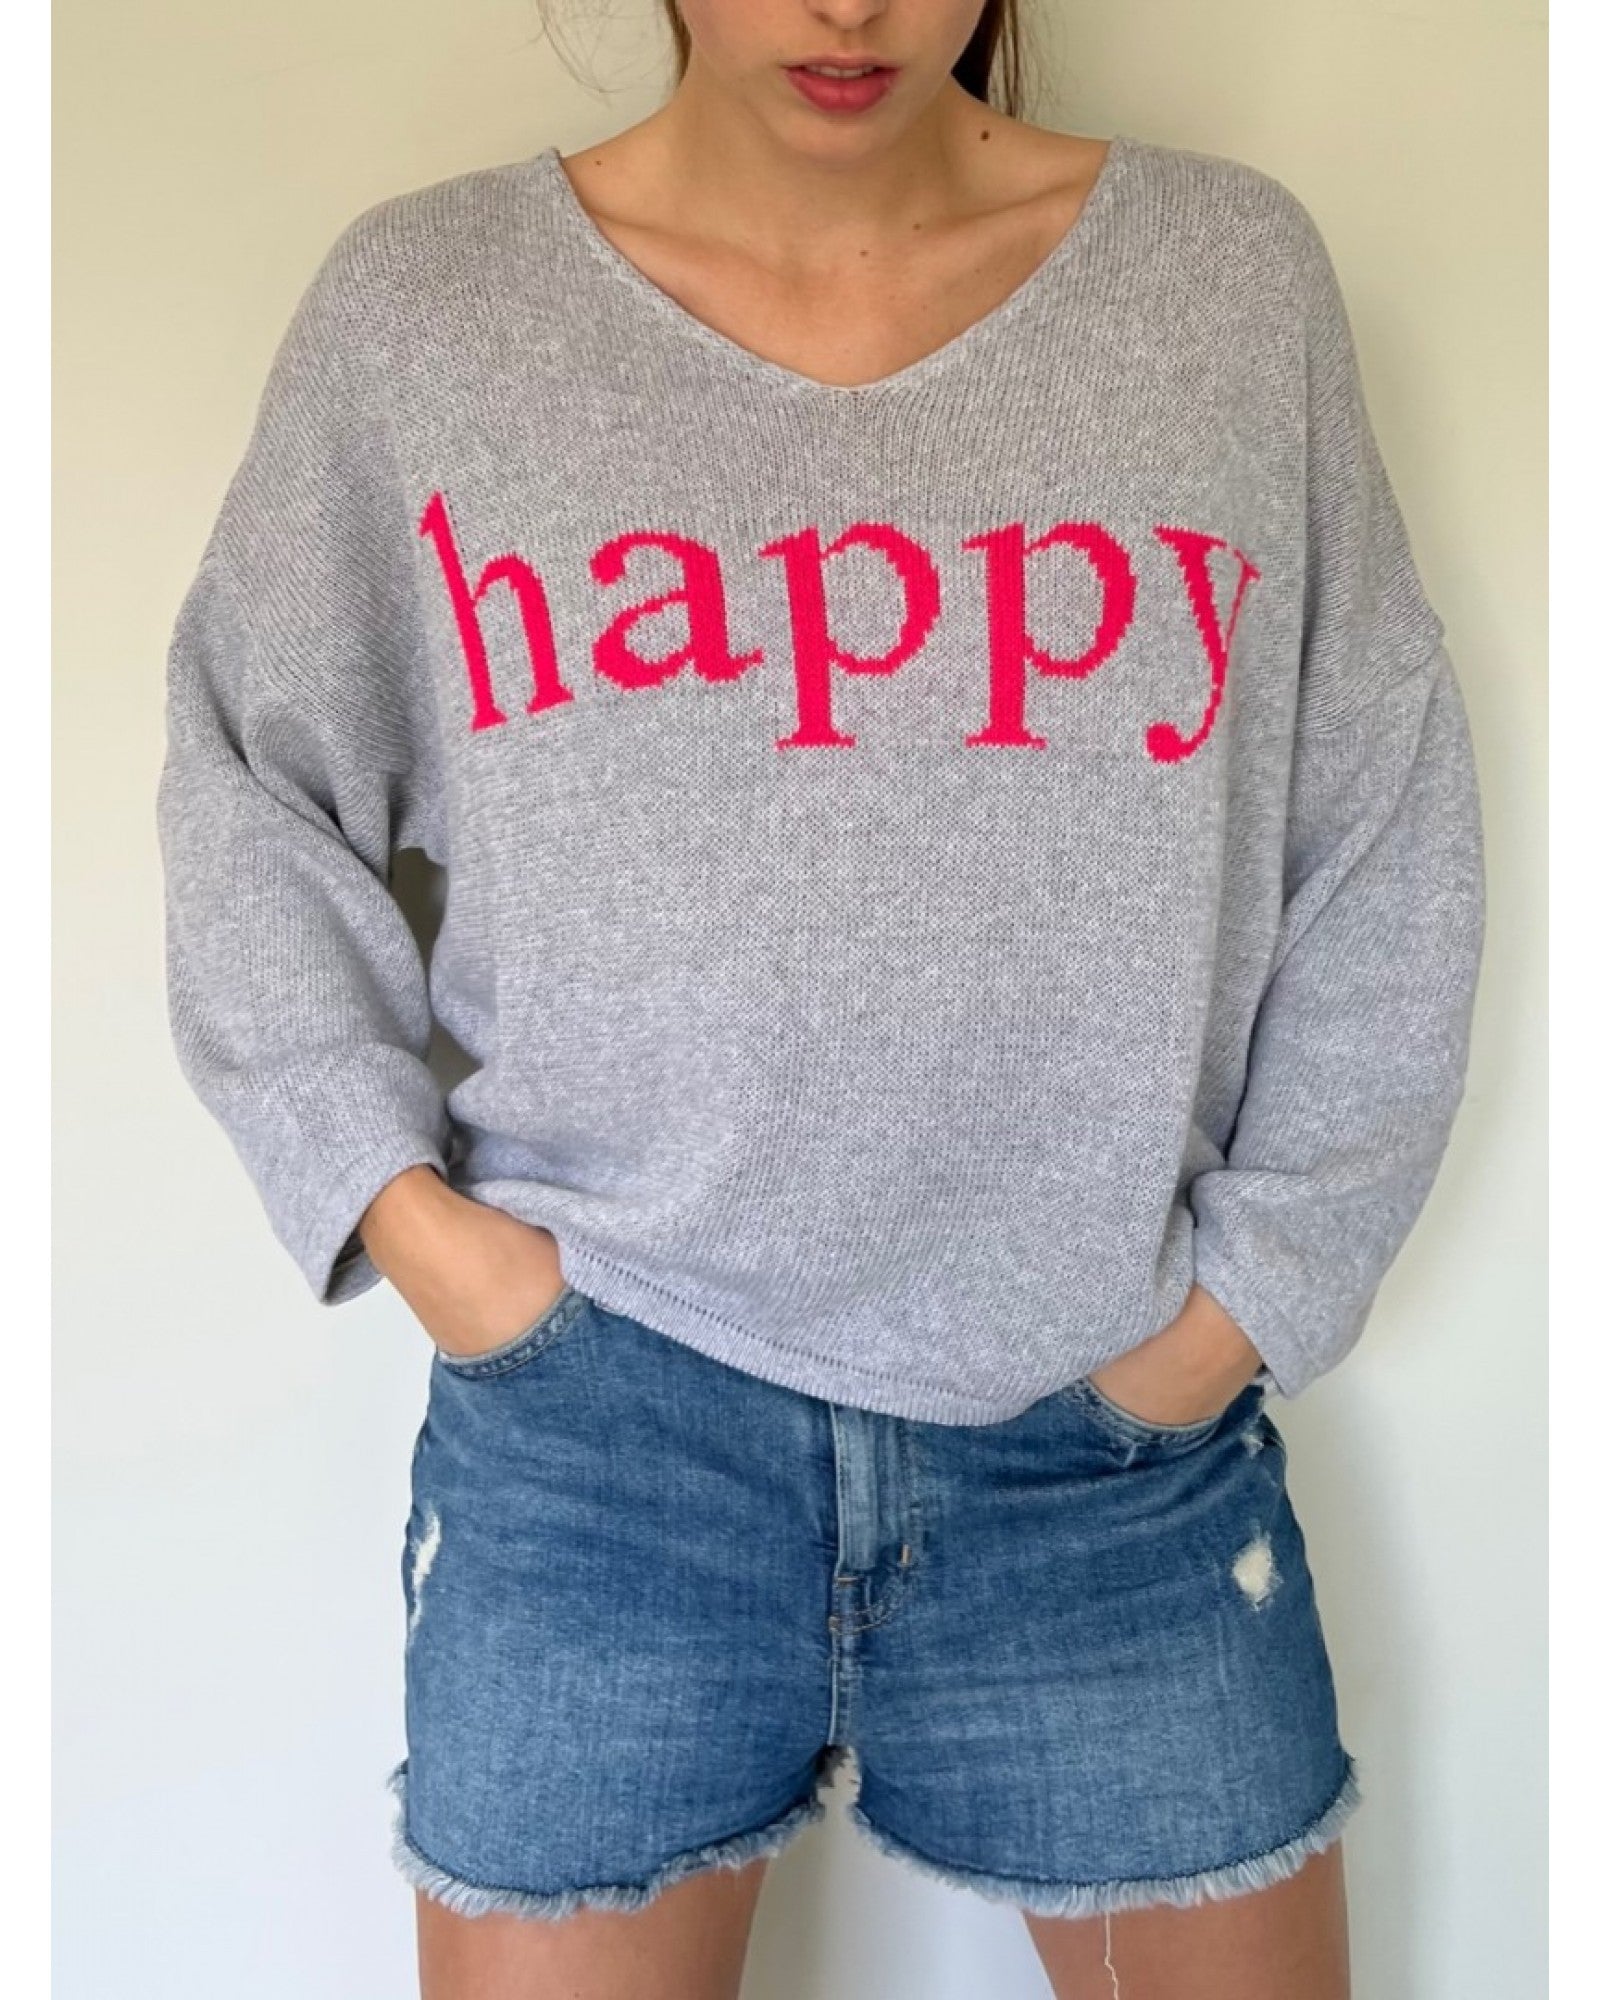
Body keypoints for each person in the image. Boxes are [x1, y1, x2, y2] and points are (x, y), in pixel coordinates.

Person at [154, 2, 1488, 1994]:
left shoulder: (1227, 289)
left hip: (1106, 1454)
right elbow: (252, 790)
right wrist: (416, 1229)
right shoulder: (426, 315)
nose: (848, 7)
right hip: (600, 1452)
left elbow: (1377, 819)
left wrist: (1241, 1310)